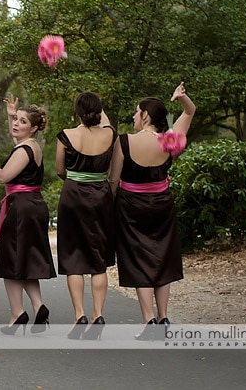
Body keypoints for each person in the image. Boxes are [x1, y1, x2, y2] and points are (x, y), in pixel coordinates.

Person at [109, 82, 195, 340]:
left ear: (145, 114)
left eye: (137, 112)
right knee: (162, 256)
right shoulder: (170, 141)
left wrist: (107, 208)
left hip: (131, 206)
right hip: (162, 205)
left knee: (138, 259)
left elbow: (113, 181)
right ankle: (163, 316)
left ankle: (148, 320)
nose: (134, 117)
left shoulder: (124, 142)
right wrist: (181, 98)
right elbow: (189, 113)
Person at [0, 96, 56, 335]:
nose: (16, 124)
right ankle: (39, 308)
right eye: (15, 120)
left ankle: (17, 313)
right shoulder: (30, 145)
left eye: (22, 121)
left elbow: (3, 176)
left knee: (11, 262)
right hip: (31, 205)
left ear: (35, 128)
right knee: (25, 261)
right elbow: (16, 136)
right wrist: (11, 113)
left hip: (22, 208)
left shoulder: (25, 149)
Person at [55, 92, 116, 340]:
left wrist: (76, 180)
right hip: (101, 196)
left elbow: (60, 169)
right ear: (99, 112)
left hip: (73, 196)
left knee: (73, 256)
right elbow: (108, 124)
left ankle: (79, 313)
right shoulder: (110, 134)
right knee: (98, 258)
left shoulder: (66, 135)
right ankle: (97, 314)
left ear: (77, 112)